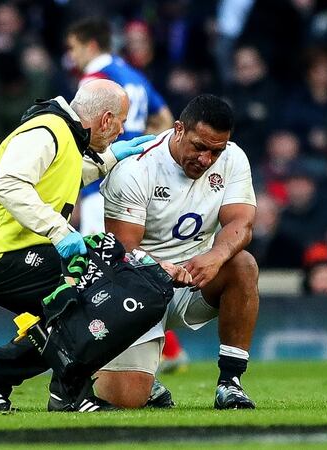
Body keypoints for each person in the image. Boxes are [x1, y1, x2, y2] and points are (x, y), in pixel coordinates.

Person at [0, 79, 154, 412]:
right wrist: (59, 231)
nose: (119, 132)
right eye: (119, 124)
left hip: (3, 251)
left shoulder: (62, 135)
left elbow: (58, 177)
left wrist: (108, 159)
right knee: (89, 300)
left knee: (68, 314)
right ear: (105, 119)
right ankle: (66, 394)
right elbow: (9, 183)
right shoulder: (46, 131)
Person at [95, 94, 259, 409]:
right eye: (199, 147)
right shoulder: (136, 168)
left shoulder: (234, 158)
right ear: (179, 129)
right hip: (136, 285)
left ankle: (231, 383)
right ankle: (112, 370)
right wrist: (164, 268)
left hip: (194, 278)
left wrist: (216, 256)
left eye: (216, 150)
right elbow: (123, 249)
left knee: (242, 265)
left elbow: (242, 223)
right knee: (126, 400)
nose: (207, 159)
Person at [64, 17, 186, 369]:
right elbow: (165, 118)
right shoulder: (134, 76)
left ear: (89, 45)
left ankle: (100, 353)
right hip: (137, 181)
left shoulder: (94, 83)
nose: (71, 56)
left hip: (99, 184)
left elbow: (78, 134)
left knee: (96, 271)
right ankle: (170, 348)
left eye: (73, 48)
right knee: (128, 263)